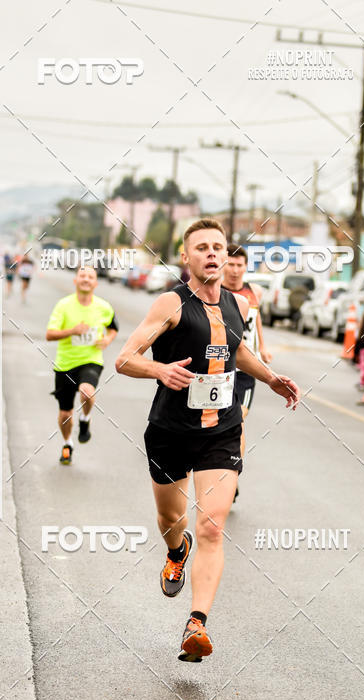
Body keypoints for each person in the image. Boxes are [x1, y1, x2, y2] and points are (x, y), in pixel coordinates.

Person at [115, 218, 300, 662]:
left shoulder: (238, 303)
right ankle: (176, 551)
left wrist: (270, 378)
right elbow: (124, 359)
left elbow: (238, 350)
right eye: (202, 247)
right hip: (170, 431)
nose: (212, 253)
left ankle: (195, 625)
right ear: (186, 257)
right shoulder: (171, 303)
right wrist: (159, 369)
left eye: (218, 246)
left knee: (212, 526)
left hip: (222, 430)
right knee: (171, 519)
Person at [46, 266, 118, 465]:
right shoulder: (63, 305)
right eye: (82, 276)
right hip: (65, 364)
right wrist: (72, 331)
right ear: (75, 281)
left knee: (87, 392)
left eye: (90, 277)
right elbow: (49, 334)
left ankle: (85, 419)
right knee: (65, 413)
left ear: (96, 283)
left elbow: (113, 328)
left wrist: (107, 340)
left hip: (91, 360)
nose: (86, 279)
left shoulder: (104, 307)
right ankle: (67, 443)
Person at [221, 244, 272, 500]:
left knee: (237, 421)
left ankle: (233, 476)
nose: (234, 270)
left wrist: (262, 346)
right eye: (230, 264)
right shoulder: (217, 291)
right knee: (220, 423)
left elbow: (257, 317)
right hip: (222, 366)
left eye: (239, 265)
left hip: (246, 368)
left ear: (245, 267)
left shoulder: (254, 292)